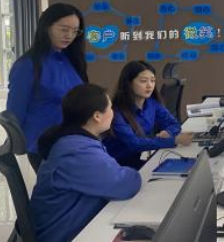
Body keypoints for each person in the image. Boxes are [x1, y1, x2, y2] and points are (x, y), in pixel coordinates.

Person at [31, 83, 141, 242]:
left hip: (67, 224)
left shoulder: (72, 140)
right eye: (110, 108)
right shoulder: (76, 150)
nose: (113, 112)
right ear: (97, 116)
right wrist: (134, 174)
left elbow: (110, 174)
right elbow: (123, 185)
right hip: (63, 234)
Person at [7, 3, 88, 169]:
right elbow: (15, 110)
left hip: (74, 140)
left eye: (75, 31)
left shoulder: (70, 59)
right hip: (45, 144)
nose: (69, 36)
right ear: (46, 27)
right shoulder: (27, 65)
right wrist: (14, 141)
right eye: (64, 29)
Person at [104, 60, 194, 169]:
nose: (149, 85)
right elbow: (135, 144)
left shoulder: (152, 103)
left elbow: (174, 123)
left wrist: (168, 132)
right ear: (129, 83)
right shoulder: (116, 112)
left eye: (152, 81)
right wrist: (174, 140)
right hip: (116, 166)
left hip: (136, 160)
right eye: (143, 81)